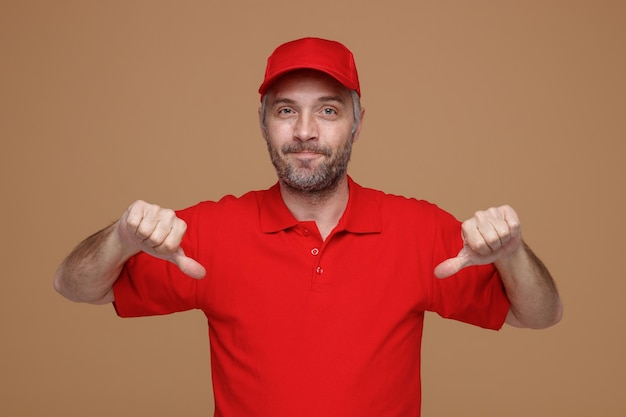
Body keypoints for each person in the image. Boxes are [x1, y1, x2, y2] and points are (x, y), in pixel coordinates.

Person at [54, 37, 562, 417]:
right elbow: (75, 287)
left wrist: (513, 252)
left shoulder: (419, 229)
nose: (304, 131)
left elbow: (540, 315)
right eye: (286, 111)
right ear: (263, 124)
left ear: (357, 124)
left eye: (328, 110)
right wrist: (120, 238)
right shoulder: (209, 231)